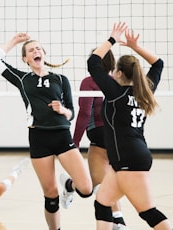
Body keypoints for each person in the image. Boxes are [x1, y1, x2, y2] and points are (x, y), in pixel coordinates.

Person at [0, 33, 93, 230]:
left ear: (44, 54)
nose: (35, 51)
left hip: (62, 136)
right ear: (25, 59)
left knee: (86, 189)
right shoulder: (22, 79)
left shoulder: (61, 79)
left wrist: (63, 110)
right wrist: (15, 41)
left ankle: (68, 186)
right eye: (30, 50)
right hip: (39, 137)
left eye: (38, 48)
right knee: (50, 194)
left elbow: (71, 113)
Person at [87, 22, 172, 229]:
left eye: (115, 70)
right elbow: (158, 64)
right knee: (102, 204)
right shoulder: (145, 90)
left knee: (148, 212)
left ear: (118, 74)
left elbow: (93, 62)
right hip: (128, 157)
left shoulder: (115, 93)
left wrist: (112, 39)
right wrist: (135, 47)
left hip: (129, 159)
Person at [73, 50, 127, 230]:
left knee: (99, 186)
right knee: (111, 181)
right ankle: (119, 219)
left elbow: (84, 113)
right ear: (113, 65)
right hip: (119, 137)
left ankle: (69, 185)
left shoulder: (89, 82)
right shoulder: (118, 82)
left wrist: (75, 143)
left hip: (98, 135)